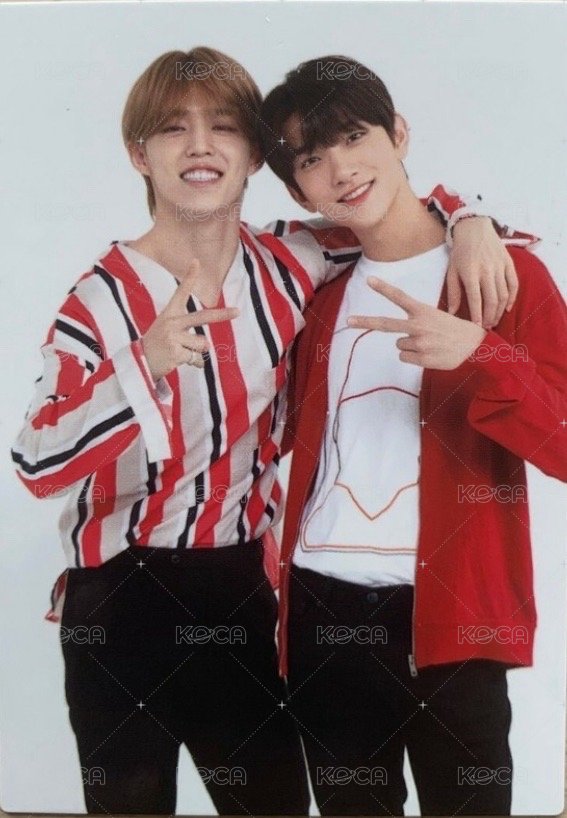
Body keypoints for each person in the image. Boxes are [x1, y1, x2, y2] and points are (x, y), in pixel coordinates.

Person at [11, 46, 528, 815]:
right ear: (138, 154)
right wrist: (142, 364)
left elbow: (391, 216)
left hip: (240, 590)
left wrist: (471, 217)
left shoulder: (294, 257)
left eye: (222, 126)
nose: (199, 146)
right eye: (172, 128)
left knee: (274, 805)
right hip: (117, 596)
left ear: (255, 154)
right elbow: (35, 461)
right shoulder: (98, 300)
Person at [260, 54, 567, 816]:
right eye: (311, 158)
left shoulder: (505, 278)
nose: (340, 169)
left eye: (353, 137)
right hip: (322, 613)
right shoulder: (315, 290)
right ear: (298, 188)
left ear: (397, 134)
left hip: (454, 621)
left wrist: (483, 354)